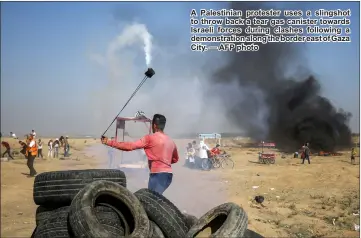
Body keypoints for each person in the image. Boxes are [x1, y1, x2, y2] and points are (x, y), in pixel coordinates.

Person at [101, 114, 179, 195]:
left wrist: (109, 142)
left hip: (158, 174)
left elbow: (130, 146)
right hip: (168, 176)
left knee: (152, 199)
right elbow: (175, 159)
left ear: (154, 125)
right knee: (157, 197)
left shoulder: (150, 138)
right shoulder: (170, 140)